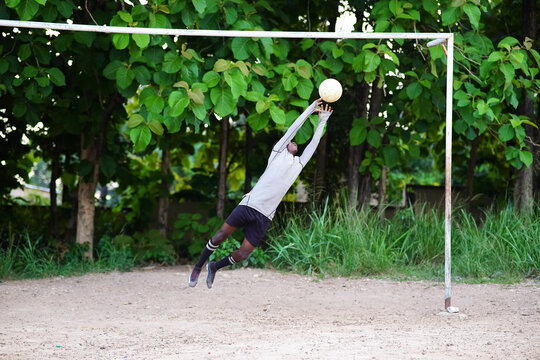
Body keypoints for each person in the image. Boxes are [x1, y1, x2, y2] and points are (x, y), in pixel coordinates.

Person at [189, 98, 333, 288]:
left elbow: (314, 144)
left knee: (243, 254)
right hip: (249, 204)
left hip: (265, 215)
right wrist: (311, 108)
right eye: (291, 141)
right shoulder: (277, 153)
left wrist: (323, 120)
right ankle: (198, 266)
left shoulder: (299, 164)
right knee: (220, 236)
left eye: (296, 143)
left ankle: (214, 266)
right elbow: (295, 127)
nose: (294, 142)